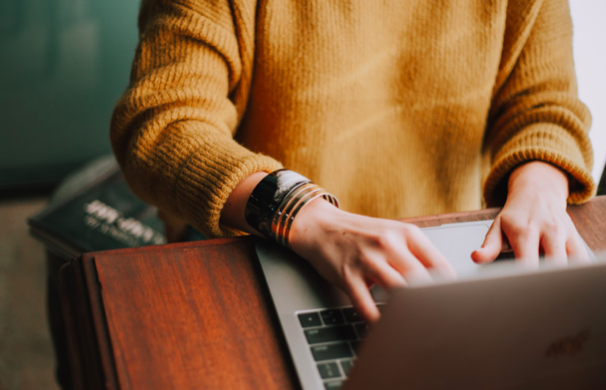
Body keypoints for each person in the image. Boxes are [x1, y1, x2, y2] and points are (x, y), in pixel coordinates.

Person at [110, 0, 595, 323]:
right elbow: (162, 124)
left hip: (443, 259)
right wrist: (307, 215)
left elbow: (545, 105)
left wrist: (541, 186)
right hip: (262, 247)